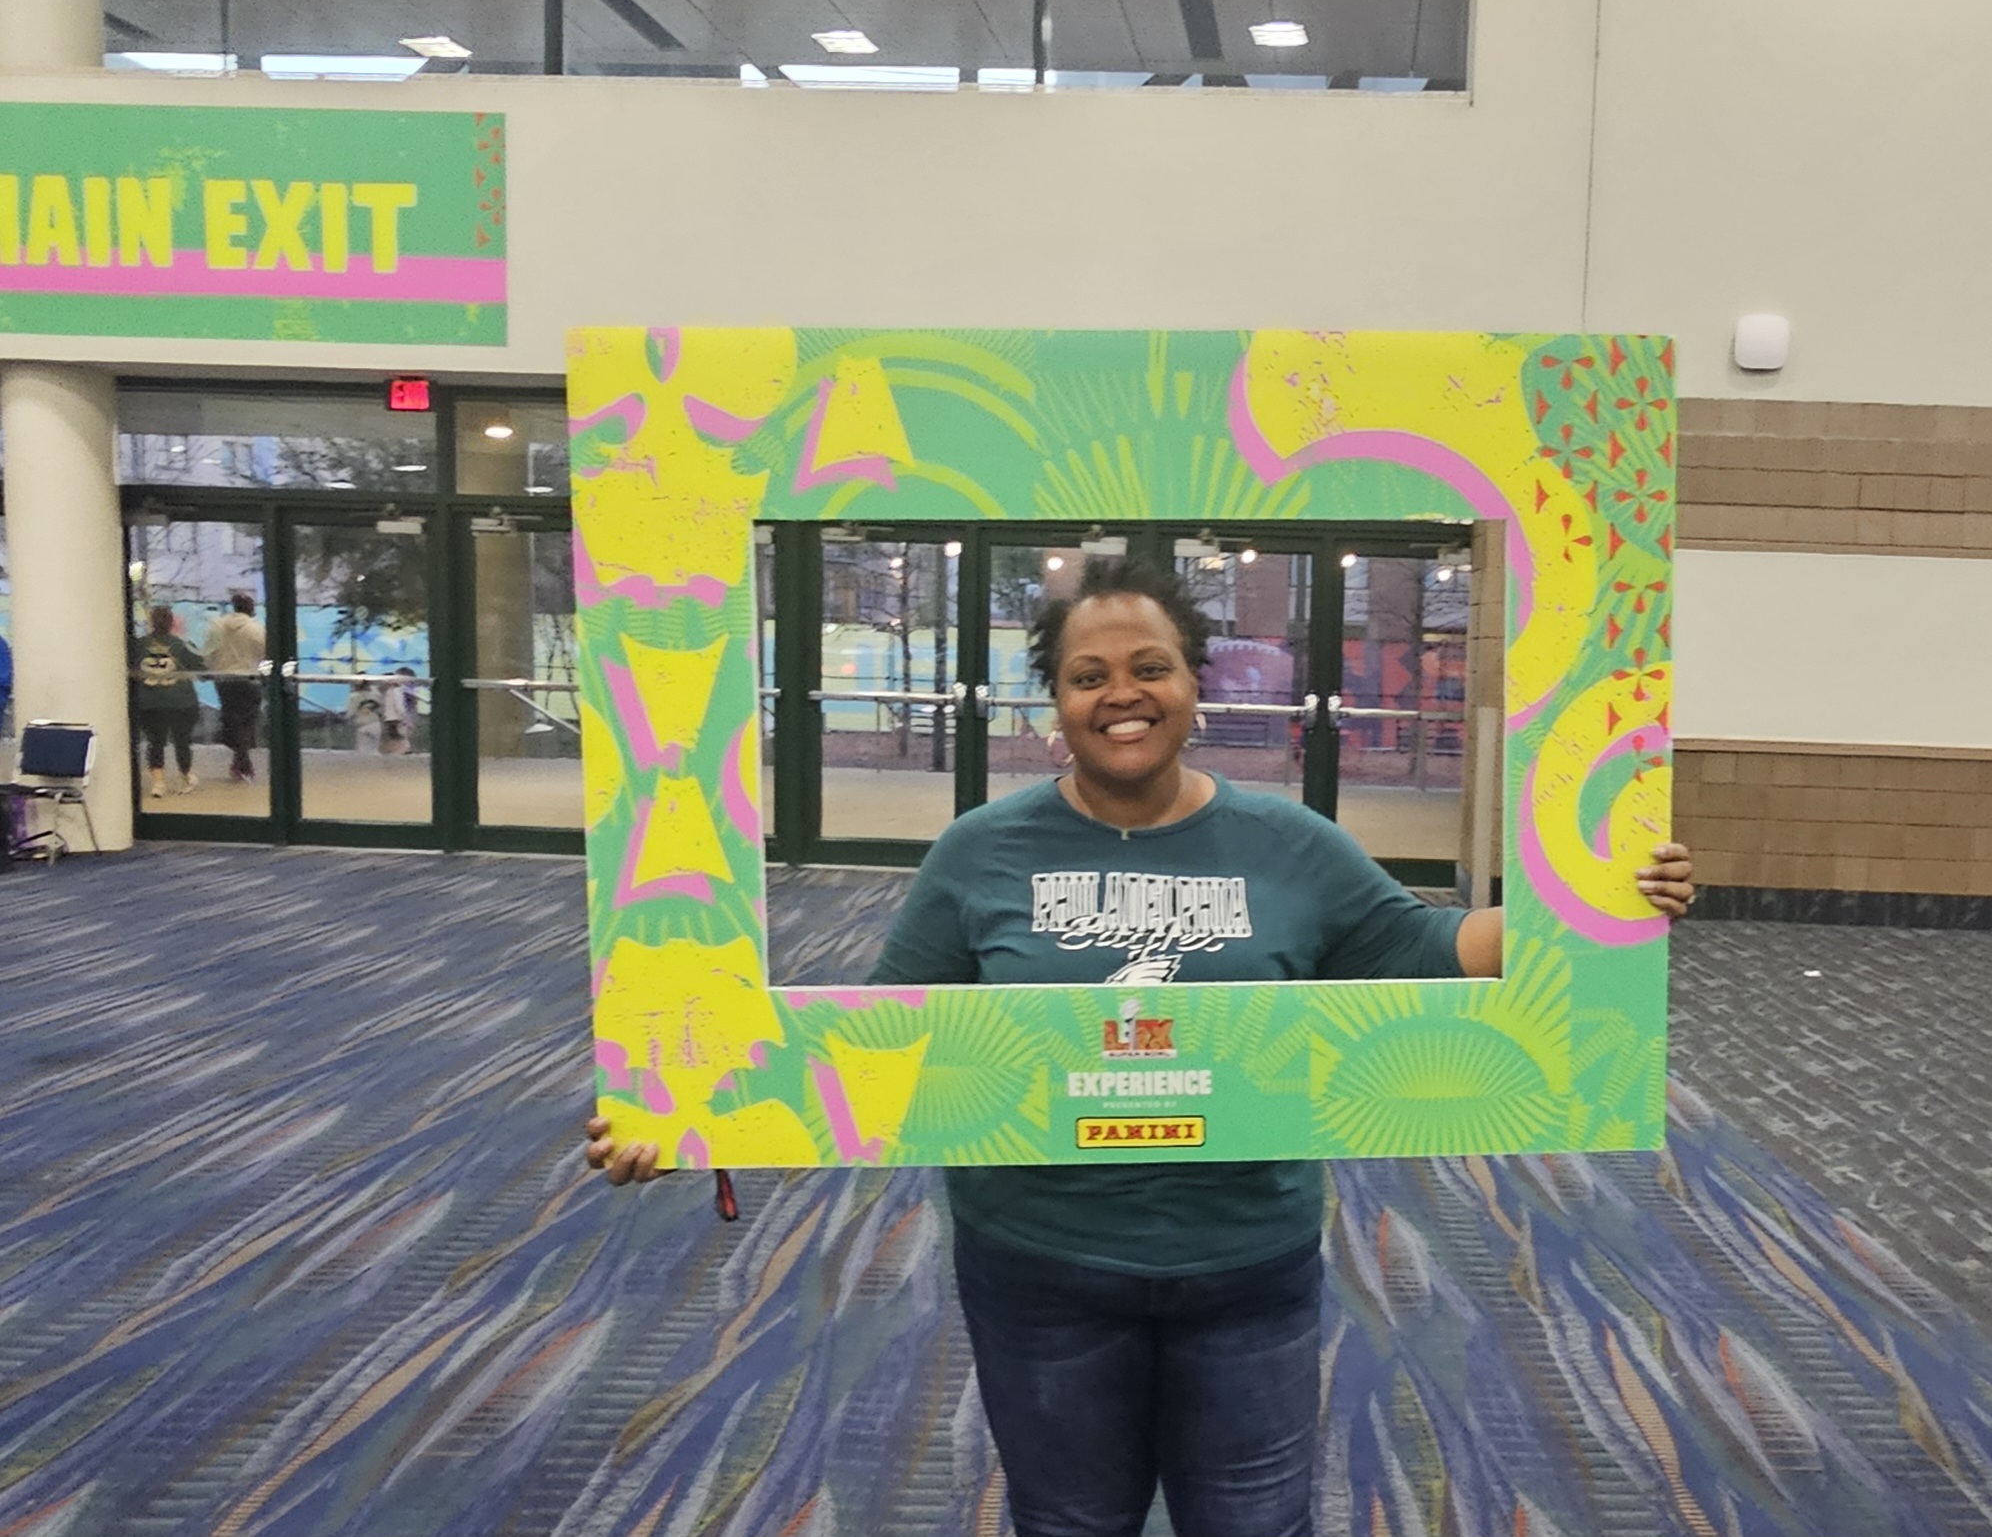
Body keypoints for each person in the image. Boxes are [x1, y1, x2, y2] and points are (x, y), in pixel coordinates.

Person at [587, 558, 1695, 1537]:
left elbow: (1427, 944)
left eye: (1151, 666)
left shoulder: (1289, 843)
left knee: (1255, 1521)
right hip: (1042, 1263)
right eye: (1088, 675)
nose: (1123, 693)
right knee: (1071, 1520)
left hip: (1244, 1263)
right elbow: (871, 1049)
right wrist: (687, 1111)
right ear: (1056, 702)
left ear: (1195, 682)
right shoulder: (981, 852)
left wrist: (1603, 900)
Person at [132, 603, 207, 799]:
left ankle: (158, 783)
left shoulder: (138, 645)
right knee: (182, 741)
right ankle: (186, 775)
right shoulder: (181, 645)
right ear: (172, 622)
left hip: (149, 702)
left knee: (155, 742)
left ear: (151, 622)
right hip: (180, 702)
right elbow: (202, 670)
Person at [201, 591, 266, 783]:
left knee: (232, 719)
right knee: (247, 721)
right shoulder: (257, 629)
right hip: (249, 679)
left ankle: (240, 762)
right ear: (251, 609)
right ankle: (242, 762)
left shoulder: (217, 626)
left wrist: (209, 670)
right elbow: (265, 654)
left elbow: (208, 653)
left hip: (223, 680)